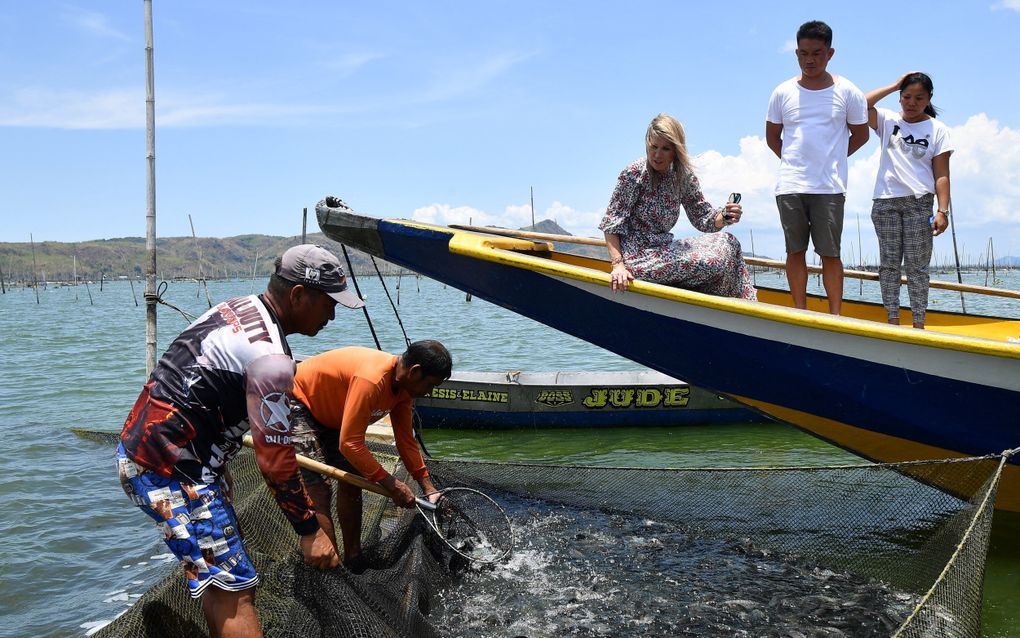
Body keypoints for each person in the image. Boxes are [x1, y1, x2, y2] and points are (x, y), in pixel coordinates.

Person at [116, 244, 364, 638]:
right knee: (238, 590)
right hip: (170, 469)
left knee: (223, 581)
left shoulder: (242, 306)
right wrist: (309, 531)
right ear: (298, 295)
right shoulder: (270, 359)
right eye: (329, 304)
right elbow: (274, 460)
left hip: (157, 452)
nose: (333, 315)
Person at [289, 341, 452, 571]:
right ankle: (330, 568)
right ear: (414, 371)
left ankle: (354, 558)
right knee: (319, 488)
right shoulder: (372, 380)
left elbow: (406, 441)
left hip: (334, 415)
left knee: (353, 477)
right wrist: (391, 483)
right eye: (430, 385)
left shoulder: (403, 391)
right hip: (299, 402)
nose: (430, 392)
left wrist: (428, 487)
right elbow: (349, 443)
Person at [765, 20, 869, 315]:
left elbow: (860, 135)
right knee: (794, 251)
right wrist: (793, 163)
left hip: (829, 187)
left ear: (830, 53)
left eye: (817, 53)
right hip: (790, 185)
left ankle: (836, 315)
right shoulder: (782, 92)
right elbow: (773, 137)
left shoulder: (848, 91)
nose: (810, 60)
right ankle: (800, 311)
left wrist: (833, 159)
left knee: (830, 253)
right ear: (796, 52)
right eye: (804, 53)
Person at [599, 113, 756, 301]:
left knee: (729, 242)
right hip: (637, 258)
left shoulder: (683, 177)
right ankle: (721, 306)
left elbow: (703, 218)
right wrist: (618, 265)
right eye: (653, 147)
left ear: (676, 151)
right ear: (647, 144)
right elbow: (611, 224)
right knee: (710, 261)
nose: (657, 155)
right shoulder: (634, 174)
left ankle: (743, 307)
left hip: (664, 248)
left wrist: (725, 215)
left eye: (665, 149)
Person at [865, 72, 953, 329]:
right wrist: (893, 85)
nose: (911, 103)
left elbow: (942, 174)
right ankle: (892, 319)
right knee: (889, 264)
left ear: (929, 99)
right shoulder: (887, 120)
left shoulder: (938, 130)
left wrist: (943, 211)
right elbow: (861, 105)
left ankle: (918, 323)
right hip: (886, 202)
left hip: (919, 203)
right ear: (899, 97)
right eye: (906, 97)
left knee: (918, 267)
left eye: (918, 98)